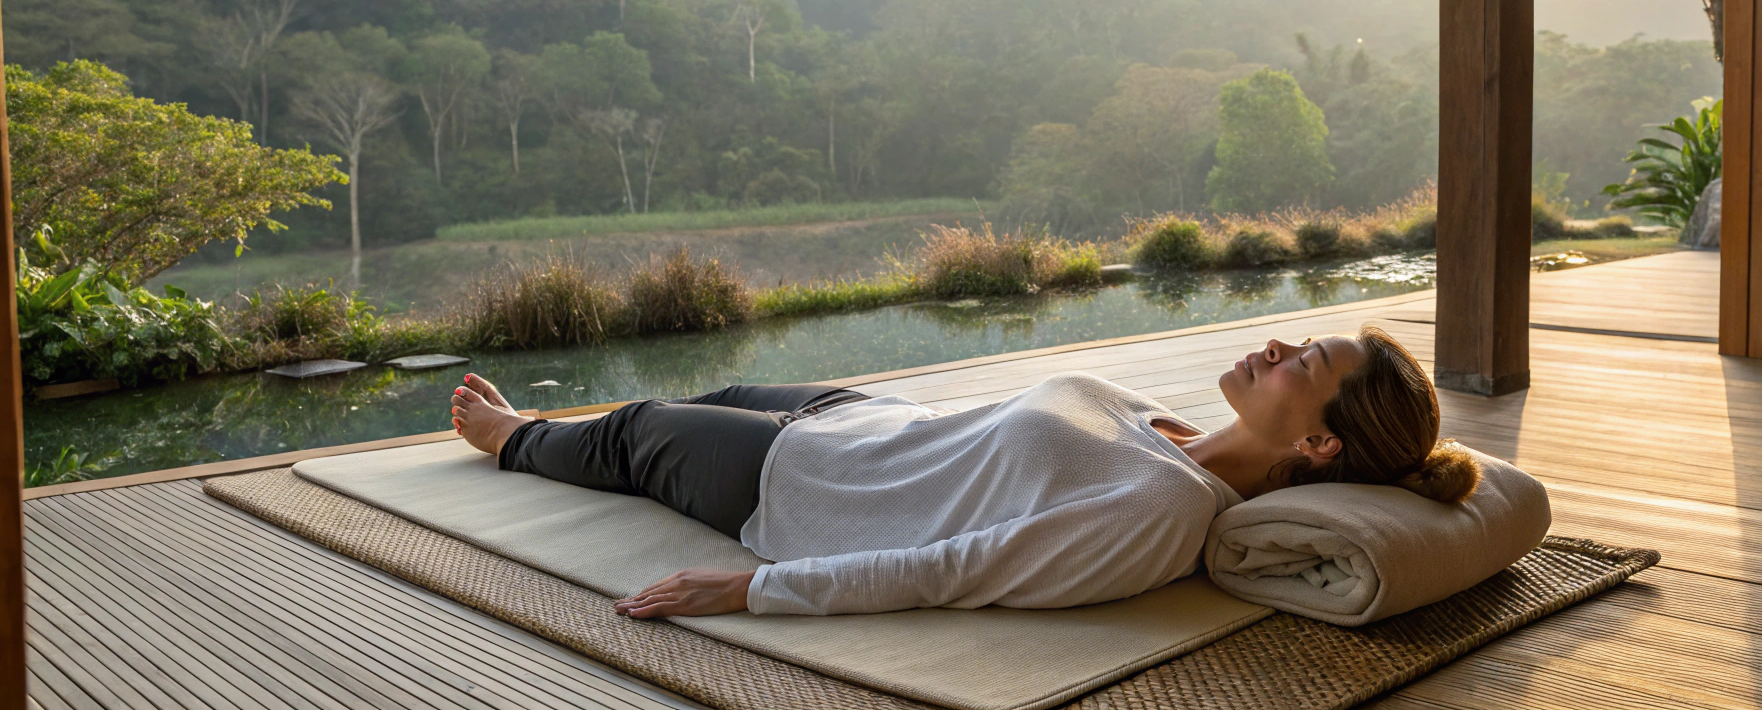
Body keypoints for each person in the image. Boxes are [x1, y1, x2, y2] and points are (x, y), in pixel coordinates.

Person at [448, 324, 1480, 619]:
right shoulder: (1169, 432)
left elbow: (959, 566)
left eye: (1304, 365)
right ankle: (546, 426)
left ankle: (512, 438)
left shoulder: (1165, 508)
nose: (1274, 349)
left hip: (804, 493)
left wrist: (754, 588)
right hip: (857, 422)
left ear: (1317, 447)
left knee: (634, 430)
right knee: (714, 392)